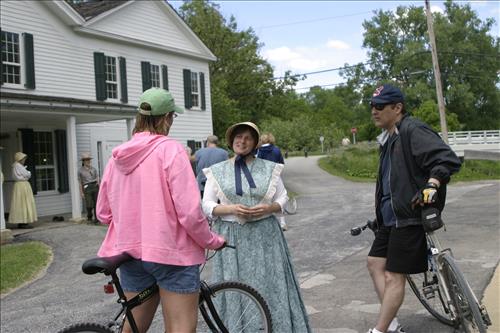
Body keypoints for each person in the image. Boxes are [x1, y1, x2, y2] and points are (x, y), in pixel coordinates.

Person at [96, 87, 226, 333]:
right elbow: (188, 212)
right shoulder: (171, 149)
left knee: (134, 327)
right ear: (166, 118)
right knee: (179, 327)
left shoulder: (116, 158)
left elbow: (103, 213)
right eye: (172, 117)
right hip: (172, 253)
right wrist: (211, 239)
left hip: (130, 253)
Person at [366, 84, 461, 333]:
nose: (374, 111)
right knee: (375, 263)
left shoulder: (412, 129)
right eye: (372, 106)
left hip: (409, 217)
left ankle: (381, 330)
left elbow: (446, 159)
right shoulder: (388, 139)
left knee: (393, 276)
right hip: (390, 219)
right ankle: (392, 323)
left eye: (380, 106)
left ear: (397, 108)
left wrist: (432, 184)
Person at [202, 122, 311, 332]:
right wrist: (231, 209)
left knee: (269, 284)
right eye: (238, 137)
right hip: (232, 238)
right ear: (231, 140)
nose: (241, 141)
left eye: (247, 138)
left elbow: (283, 198)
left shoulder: (269, 169)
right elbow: (207, 205)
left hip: (266, 236)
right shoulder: (217, 171)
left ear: (254, 143)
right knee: (235, 286)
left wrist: (268, 208)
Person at [257, 132, 288, 230]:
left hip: (263, 178)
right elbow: (281, 164)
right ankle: (283, 223)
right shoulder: (276, 150)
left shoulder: (259, 151)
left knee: (264, 200)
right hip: (276, 176)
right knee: (280, 198)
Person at [9, 152, 37, 229]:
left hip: (20, 185)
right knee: (23, 202)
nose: (24, 160)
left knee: (21, 203)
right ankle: (23, 222)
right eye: (23, 158)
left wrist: (26, 173)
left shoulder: (16, 166)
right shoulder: (18, 166)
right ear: (20, 159)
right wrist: (28, 172)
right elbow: (27, 174)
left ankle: (22, 221)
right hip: (22, 185)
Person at [78, 153, 99, 224]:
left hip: (95, 186)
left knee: (96, 203)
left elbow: (97, 177)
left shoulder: (93, 169)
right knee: (89, 204)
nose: (88, 161)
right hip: (86, 187)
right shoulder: (80, 171)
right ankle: (89, 216)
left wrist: (98, 181)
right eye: (86, 160)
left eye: (89, 160)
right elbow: (80, 182)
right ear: (83, 161)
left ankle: (96, 219)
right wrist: (81, 192)